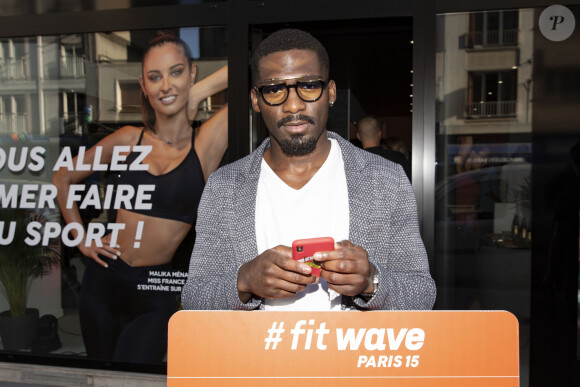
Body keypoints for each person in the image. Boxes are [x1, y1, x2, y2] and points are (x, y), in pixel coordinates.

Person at [181, 28, 435, 311]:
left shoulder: (386, 180)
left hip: (351, 355)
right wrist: (244, 281)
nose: (293, 105)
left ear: (331, 92)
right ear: (255, 100)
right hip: (256, 355)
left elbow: (421, 294)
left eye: (309, 85)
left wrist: (371, 281)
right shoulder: (223, 188)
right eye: (275, 89)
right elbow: (194, 299)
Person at [52, 31, 228, 363]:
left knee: (131, 375)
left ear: (191, 73)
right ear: (143, 86)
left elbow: (253, 71)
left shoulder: (205, 144)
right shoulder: (127, 139)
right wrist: (80, 237)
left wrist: (194, 93)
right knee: (100, 378)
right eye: (155, 77)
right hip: (104, 279)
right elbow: (62, 176)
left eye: (176, 72)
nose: (166, 86)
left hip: (157, 290)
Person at [357, 115, 411, 180]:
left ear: (358, 136)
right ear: (379, 134)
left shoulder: (351, 161)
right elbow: (407, 187)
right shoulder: (398, 158)